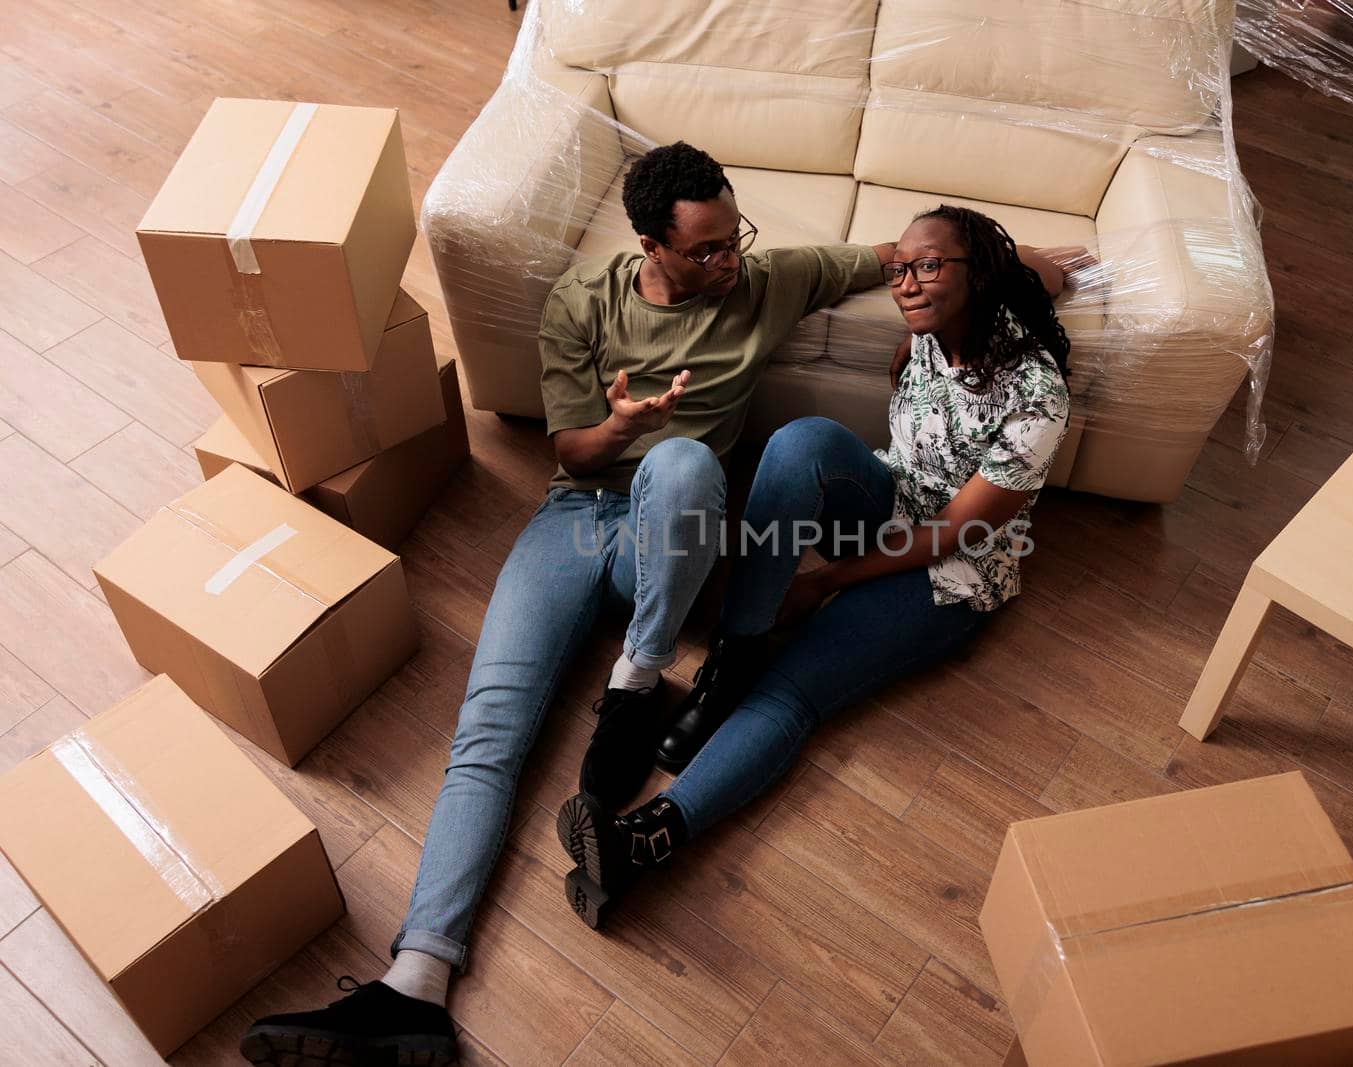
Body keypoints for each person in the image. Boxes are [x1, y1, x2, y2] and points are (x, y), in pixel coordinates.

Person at [239, 140, 903, 1067]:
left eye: (733, 239)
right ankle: (416, 984)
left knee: (680, 460)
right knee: (489, 727)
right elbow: (571, 456)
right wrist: (617, 425)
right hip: (577, 514)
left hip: (665, 538)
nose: (729, 261)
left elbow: (894, 254)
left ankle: (637, 678)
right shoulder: (581, 302)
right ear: (650, 245)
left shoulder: (766, 281)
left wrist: (1007, 261)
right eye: (706, 249)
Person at [555, 204, 1077, 930]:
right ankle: (730, 662)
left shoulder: (1036, 395)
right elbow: (1034, 269)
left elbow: (956, 533)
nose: (907, 285)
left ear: (976, 275)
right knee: (800, 442)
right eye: (901, 269)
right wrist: (1054, 265)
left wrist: (824, 581)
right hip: (892, 495)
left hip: (951, 572)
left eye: (927, 267)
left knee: (793, 691)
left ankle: (644, 840)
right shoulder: (934, 326)